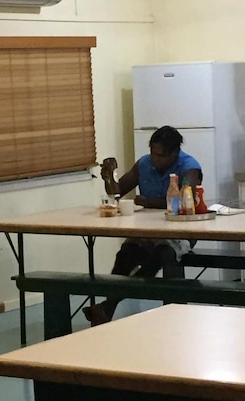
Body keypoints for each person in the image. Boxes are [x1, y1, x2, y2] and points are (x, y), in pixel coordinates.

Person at [83, 126, 203, 326]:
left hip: (179, 230)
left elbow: (185, 200)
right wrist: (109, 177)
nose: (155, 159)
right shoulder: (144, 164)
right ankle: (107, 308)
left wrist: (148, 202)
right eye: (153, 153)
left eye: (161, 155)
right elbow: (118, 191)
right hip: (146, 228)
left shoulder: (189, 167)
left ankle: (109, 305)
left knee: (162, 254)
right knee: (126, 253)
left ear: (174, 153)